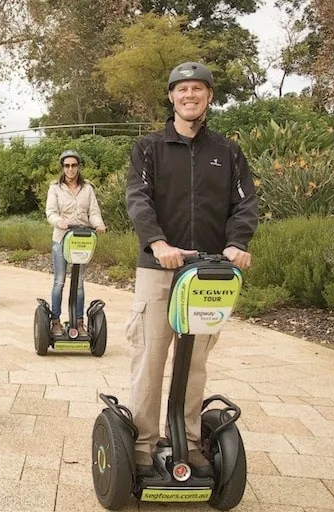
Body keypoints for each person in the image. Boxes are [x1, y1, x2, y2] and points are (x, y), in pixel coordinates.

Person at [125, 61, 258, 479]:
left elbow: (245, 204)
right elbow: (138, 198)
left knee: (195, 361)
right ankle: (144, 444)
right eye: (182, 90)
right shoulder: (149, 148)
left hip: (208, 273)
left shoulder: (227, 151)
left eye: (198, 90)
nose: (189, 96)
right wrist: (158, 242)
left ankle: (191, 439)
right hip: (159, 267)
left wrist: (237, 244)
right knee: (151, 357)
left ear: (209, 97)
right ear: (171, 96)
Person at [45, 150, 106, 338]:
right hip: (62, 237)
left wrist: (99, 223)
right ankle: (55, 321)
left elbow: (93, 211)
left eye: (74, 165)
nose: (70, 169)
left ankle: (79, 323)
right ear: (63, 168)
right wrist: (58, 221)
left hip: (82, 239)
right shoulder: (55, 187)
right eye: (67, 166)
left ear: (78, 167)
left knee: (79, 283)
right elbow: (50, 212)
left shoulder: (87, 188)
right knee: (60, 281)